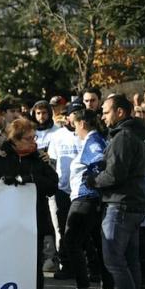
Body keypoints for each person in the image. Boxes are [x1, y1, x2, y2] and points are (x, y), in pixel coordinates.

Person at [0, 118, 59, 289]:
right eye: (29, 138)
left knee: (33, 266)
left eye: (35, 137)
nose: (34, 142)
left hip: (34, 221)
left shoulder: (40, 158)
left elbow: (52, 185)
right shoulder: (0, 158)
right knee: (6, 263)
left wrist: (30, 180)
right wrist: (0, 182)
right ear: (15, 140)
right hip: (5, 223)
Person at [87, 94, 145, 289]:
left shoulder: (123, 136)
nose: (102, 115)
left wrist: (94, 180)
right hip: (131, 204)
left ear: (120, 112)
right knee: (129, 260)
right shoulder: (132, 135)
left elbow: (115, 175)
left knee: (113, 259)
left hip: (120, 204)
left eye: (106, 111)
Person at [60, 109, 114, 289]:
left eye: (74, 124)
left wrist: (93, 181)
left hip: (85, 199)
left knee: (71, 241)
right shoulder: (94, 140)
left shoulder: (92, 141)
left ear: (82, 123)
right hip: (91, 200)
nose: (73, 128)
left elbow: (99, 161)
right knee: (98, 245)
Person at [47, 100, 83, 278]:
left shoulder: (86, 134)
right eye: (72, 113)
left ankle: (86, 267)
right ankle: (66, 265)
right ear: (67, 116)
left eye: (79, 112)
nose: (75, 116)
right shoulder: (57, 135)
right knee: (62, 229)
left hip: (81, 191)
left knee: (81, 230)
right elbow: (52, 161)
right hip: (62, 188)